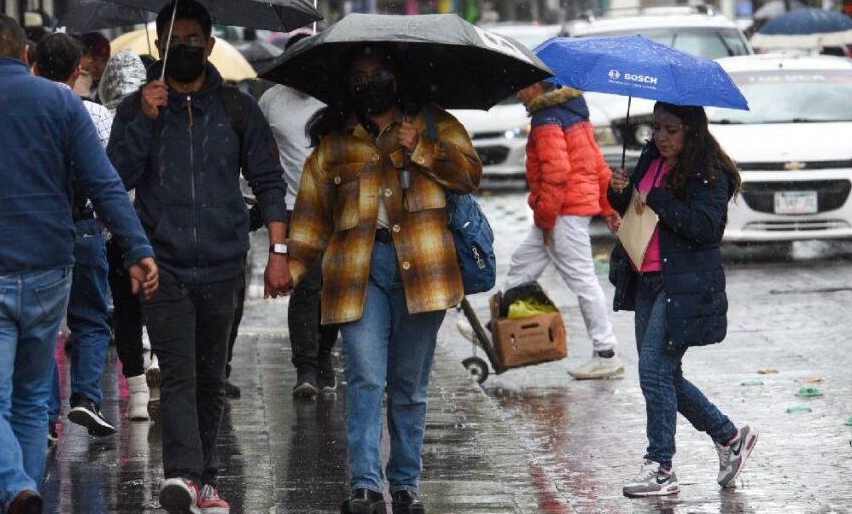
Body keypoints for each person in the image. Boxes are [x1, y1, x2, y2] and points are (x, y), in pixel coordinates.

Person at [0, 13, 158, 513]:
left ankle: (13, 488)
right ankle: (21, 495)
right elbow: (103, 182)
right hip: (49, 269)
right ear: (25, 55)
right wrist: (137, 248)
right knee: (28, 402)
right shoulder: (60, 103)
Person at [107, 0, 290, 514]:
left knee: (212, 377)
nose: (183, 48)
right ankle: (184, 477)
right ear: (158, 45)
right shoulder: (138, 108)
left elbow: (269, 182)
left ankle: (206, 478)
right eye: (173, 40)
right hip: (160, 265)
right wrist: (145, 117)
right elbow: (113, 179)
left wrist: (278, 251)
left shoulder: (237, 108)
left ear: (209, 46)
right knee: (181, 374)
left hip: (224, 264)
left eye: (193, 40)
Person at [288, 47, 482, 514]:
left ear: (396, 78)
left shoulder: (433, 124)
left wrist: (422, 148)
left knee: (409, 385)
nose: (368, 83)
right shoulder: (335, 142)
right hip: (358, 270)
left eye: (378, 74)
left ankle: (406, 485)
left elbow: (470, 174)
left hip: (425, 268)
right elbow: (313, 212)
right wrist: (291, 267)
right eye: (359, 76)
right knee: (365, 376)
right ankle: (364, 484)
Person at [607, 102, 757, 498]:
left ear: (691, 130)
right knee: (663, 375)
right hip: (647, 280)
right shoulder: (651, 158)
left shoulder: (709, 171)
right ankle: (728, 437)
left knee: (654, 372)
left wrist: (659, 198)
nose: (661, 137)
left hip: (684, 286)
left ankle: (661, 467)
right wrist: (618, 191)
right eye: (656, 129)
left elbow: (706, 228)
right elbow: (635, 211)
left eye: (671, 130)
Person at [471, 82, 624, 380]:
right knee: (522, 266)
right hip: (566, 211)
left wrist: (545, 220)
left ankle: (606, 353)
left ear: (539, 86)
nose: (518, 93)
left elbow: (556, 174)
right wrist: (607, 209)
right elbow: (596, 165)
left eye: (523, 86)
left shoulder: (546, 120)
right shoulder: (574, 113)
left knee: (582, 281)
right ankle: (492, 329)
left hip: (562, 212)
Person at [31, 33, 119, 444]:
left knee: (44, 324)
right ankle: (86, 395)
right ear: (76, 71)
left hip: (39, 228)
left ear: (32, 65)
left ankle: (47, 415)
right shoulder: (97, 116)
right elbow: (111, 178)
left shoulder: (23, 113)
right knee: (91, 318)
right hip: (85, 226)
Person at [257, 33, 338, 397]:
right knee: (306, 286)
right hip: (292, 208)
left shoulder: (335, 98)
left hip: (334, 208)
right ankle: (305, 367)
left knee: (331, 288)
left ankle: (323, 356)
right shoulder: (271, 101)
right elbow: (260, 149)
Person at [99, 49, 156, 421]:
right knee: (160, 302)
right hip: (157, 225)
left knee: (126, 310)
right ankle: (157, 360)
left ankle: (136, 390)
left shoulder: (106, 119)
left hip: (117, 232)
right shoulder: (158, 116)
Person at [74, 32, 111, 102]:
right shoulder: (69, 84)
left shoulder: (111, 88)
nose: (99, 66)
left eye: (104, 60)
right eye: (94, 59)